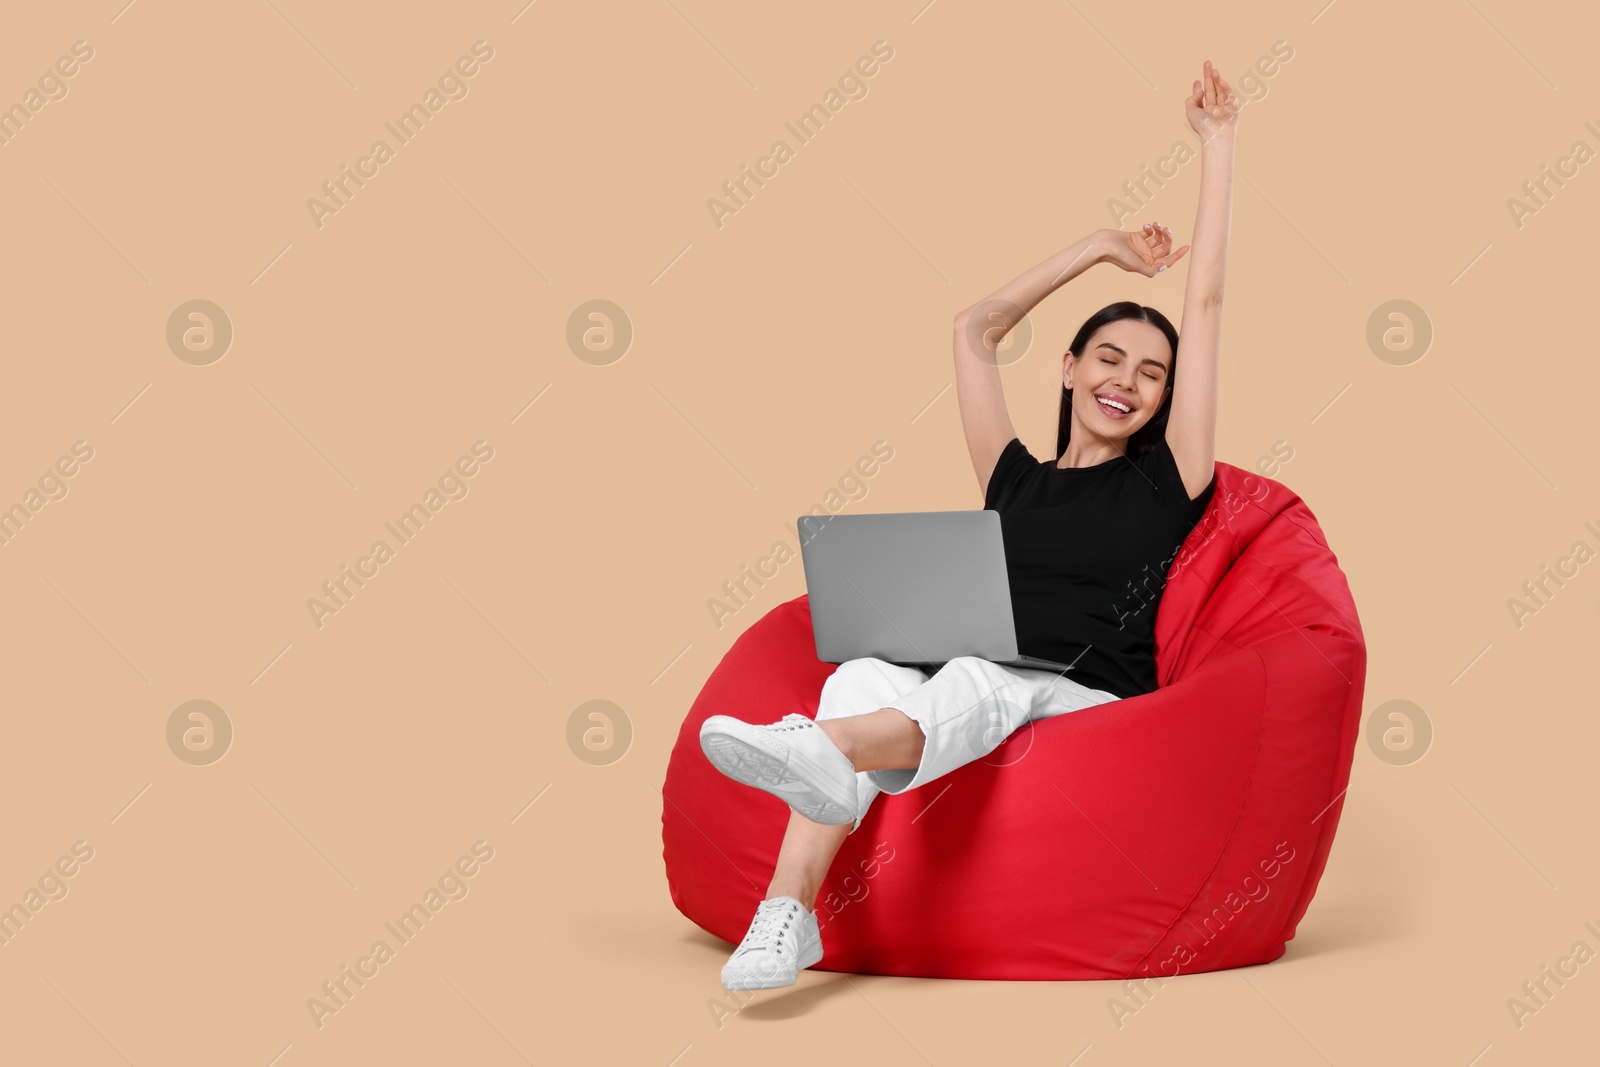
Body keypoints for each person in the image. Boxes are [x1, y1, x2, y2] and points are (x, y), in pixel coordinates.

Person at [699, 60, 1239, 991]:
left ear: (1162, 400)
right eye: (1108, 356)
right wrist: (1101, 246)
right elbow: (972, 329)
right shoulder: (1014, 475)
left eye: (1151, 373)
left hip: (1085, 699)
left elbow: (1208, 304)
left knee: (986, 679)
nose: (1127, 380)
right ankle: (786, 918)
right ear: (1067, 367)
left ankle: (823, 749)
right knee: (866, 669)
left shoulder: (1167, 479)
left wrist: (1217, 146)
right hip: (963, 680)